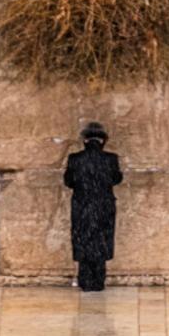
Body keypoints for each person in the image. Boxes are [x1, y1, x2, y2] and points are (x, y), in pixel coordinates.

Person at [63, 122, 123, 292]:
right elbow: (117, 179)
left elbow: (68, 181)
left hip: (82, 205)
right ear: (103, 140)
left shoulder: (75, 159)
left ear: (85, 140)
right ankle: (98, 281)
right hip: (104, 204)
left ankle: (85, 280)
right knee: (101, 240)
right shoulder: (111, 158)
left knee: (83, 239)